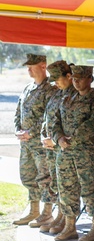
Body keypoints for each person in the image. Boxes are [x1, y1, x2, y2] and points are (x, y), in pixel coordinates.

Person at [52, 64, 94, 241]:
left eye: (80, 78)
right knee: (66, 188)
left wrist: (72, 139)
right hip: (65, 151)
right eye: (73, 78)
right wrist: (59, 138)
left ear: (90, 79)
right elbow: (56, 121)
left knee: (90, 188)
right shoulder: (67, 98)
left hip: (86, 152)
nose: (75, 81)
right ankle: (70, 226)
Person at [12, 53, 55, 226]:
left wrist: (32, 131)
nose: (28, 69)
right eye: (27, 66)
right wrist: (18, 130)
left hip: (40, 144)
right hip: (26, 143)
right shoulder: (28, 88)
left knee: (44, 178)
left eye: (32, 65)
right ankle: (33, 211)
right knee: (28, 176)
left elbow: (49, 116)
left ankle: (47, 213)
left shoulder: (51, 89)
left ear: (43, 66)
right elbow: (18, 112)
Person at [39, 61, 75, 235]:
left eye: (58, 79)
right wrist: (43, 136)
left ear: (69, 76)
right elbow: (47, 119)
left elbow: (68, 125)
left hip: (62, 147)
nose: (55, 83)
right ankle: (60, 214)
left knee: (67, 186)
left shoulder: (73, 95)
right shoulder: (56, 94)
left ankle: (66, 218)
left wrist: (55, 139)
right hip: (51, 147)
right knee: (57, 184)